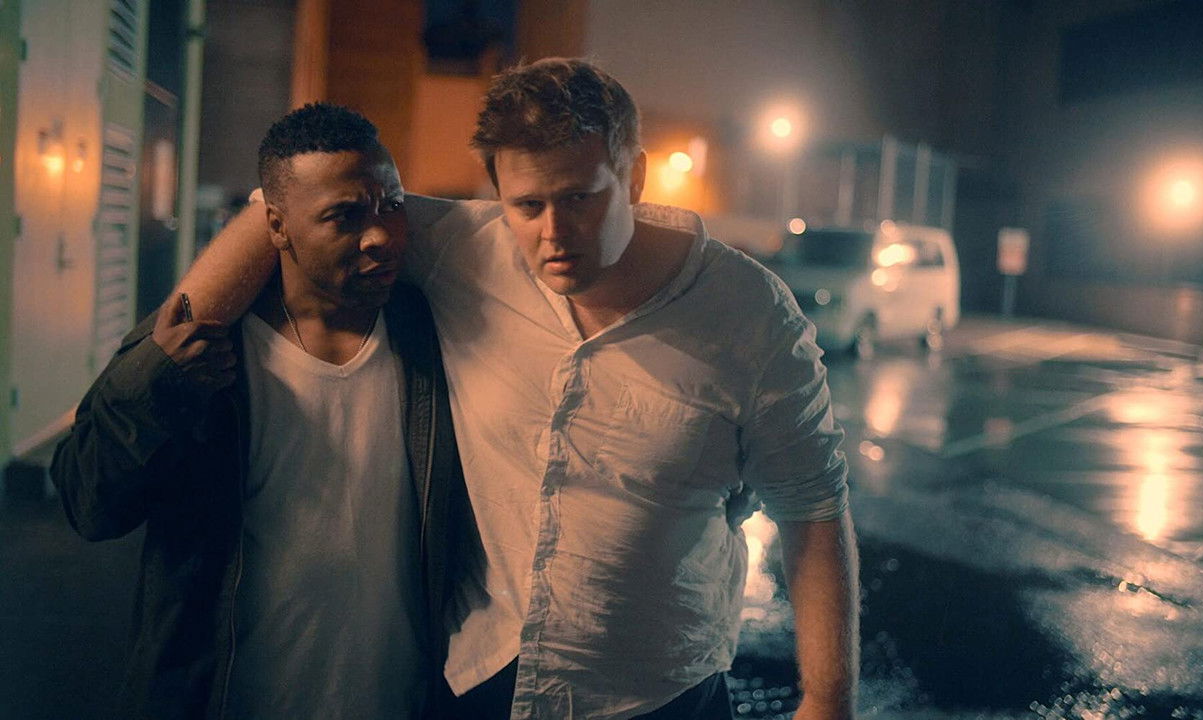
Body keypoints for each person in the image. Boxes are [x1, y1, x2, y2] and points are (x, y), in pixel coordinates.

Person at [177, 58, 859, 720]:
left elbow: (814, 507)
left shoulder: (748, 311)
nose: (554, 233)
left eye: (580, 198)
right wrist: (165, 350)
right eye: (527, 205)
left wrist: (828, 701)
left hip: (657, 692)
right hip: (485, 679)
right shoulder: (466, 250)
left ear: (635, 176)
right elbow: (284, 209)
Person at [50, 103, 477, 719]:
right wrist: (158, 386)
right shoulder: (205, 353)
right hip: (234, 697)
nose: (381, 234)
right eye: (344, 215)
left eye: (390, 205)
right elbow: (87, 502)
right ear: (274, 225)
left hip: (397, 698)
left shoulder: (428, 333)